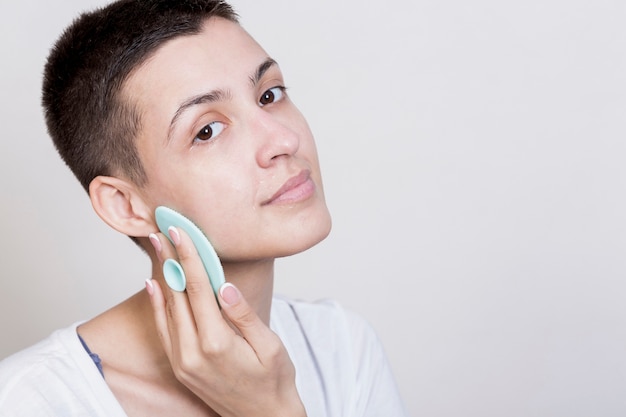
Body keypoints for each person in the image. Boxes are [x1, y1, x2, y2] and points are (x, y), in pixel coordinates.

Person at [0, 1, 406, 415]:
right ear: (125, 205)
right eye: (207, 130)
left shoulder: (341, 348)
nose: (283, 140)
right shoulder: (30, 401)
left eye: (269, 94)